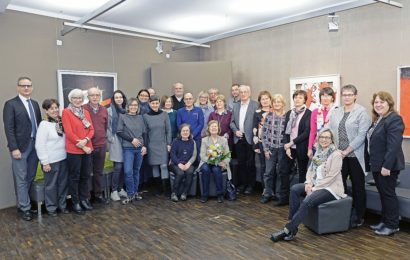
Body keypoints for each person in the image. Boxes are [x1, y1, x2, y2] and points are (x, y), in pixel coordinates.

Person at [270, 128, 346, 242]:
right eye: (322, 137)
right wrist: (308, 183)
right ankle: (293, 226)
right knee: (295, 189)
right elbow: (310, 170)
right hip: (316, 184)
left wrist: (314, 188)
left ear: (332, 140)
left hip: (331, 188)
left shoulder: (336, 155)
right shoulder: (318, 152)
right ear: (318, 139)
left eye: (327, 138)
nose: (324, 140)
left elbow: (331, 177)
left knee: (307, 200)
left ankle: (287, 229)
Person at [328, 84, 371, 228]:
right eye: (344, 94)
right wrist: (333, 149)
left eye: (350, 94)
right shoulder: (337, 112)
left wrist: (346, 151)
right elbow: (330, 130)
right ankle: (343, 213)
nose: (347, 97)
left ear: (355, 96)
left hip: (355, 157)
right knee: (340, 187)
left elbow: (361, 135)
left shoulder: (362, 112)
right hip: (339, 156)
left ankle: (359, 216)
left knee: (358, 187)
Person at [365, 91, 404, 236]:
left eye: (382, 102)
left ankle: (392, 225)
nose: (378, 104)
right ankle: (385, 221)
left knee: (388, 195)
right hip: (377, 164)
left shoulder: (394, 119)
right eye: (376, 102)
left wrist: (387, 166)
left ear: (389, 104)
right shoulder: (379, 119)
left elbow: (393, 145)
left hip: (388, 166)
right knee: (383, 194)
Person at [3, 76, 42, 221]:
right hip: (20, 148)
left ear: (32, 87)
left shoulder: (35, 104)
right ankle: (25, 208)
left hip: (34, 146)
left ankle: (22, 203)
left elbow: (38, 125)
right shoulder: (10, 104)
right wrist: (14, 148)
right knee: (21, 178)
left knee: (30, 177)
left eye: (29, 85)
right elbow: (9, 128)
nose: (26, 88)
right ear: (18, 87)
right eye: (23, 85)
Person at [62, 89, 94, 214]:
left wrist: (86, 140)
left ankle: (84, 199)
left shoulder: (85, 112)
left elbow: (91, 130)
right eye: (75, 98)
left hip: (87, 148)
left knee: (85, 176)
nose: (77, 100)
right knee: (74, 177)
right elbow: (69, 133)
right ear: (70, 99)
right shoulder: (66, 112)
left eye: (80, 98)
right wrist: (82, 145)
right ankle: (75, 202)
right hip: (74, 150)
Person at [35, 99, 68, 216]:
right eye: (51, 108)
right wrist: (45, 162)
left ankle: (62, 205)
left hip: (64, 158)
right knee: (51, 186)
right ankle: (51, 208)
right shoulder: (44, 124)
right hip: (51, 161)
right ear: (46, 110)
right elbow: (40, 145)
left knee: (63, 184)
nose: (54, 110)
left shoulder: (61, 121)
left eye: (56, 108)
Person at [280, 90, 311, 206]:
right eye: (296, 97)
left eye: (300, 97)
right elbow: (285, 131)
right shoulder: (289, 113)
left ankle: (301, 200)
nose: (297, 99)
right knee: (284, 171)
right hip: (289, 148)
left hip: (301, 147)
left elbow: (306, 132)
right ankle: (284, 198)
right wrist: (287, 146)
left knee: (303, 174)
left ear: (304, 100)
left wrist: (291, 142)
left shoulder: (309, 113)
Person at [116, 98, 147, 204]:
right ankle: (130, 194)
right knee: (128, 171)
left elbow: (144, 134)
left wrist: (145, 146)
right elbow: (119, 132)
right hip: (128, 148)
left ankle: (134, 193)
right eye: (131, 105)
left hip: (140, 149)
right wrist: (131, 140)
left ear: (138, 107)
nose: (133, 107)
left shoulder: (140, 118)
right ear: (128, 106)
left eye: (135, 105)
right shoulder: (123, 117)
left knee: (136, 171)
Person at [230, 85, 259, 195]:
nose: (243, 94)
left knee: (250, 164)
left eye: (245, 92)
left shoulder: (255, 105)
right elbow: (232, 122)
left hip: (251, 138)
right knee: (241, 163)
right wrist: (235, 131)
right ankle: (243, 184)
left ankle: (251, 186)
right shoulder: (236, 106)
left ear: (249, 93)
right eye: (241, 92)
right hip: (239, 138)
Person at [260, 94, 287, 203]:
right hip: (271, 148)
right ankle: (267, 194)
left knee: (280, 172)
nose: (276, 104)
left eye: (279, 102)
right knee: (268, 172)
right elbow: (264, 134)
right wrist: (266, 149)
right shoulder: (269, 116)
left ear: (283, 103)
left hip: (282, 148)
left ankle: (279, 194)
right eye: (275, 102)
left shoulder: (287, 116)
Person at [143, 95, 172, 196]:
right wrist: (145, 146)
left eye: (156, 103)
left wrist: (168, 143)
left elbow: (168, 130)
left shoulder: (164, 114)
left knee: (164, 166)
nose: (155, 105)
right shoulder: (145, 116)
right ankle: (158, 189)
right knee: (155, 167)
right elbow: (145, 133)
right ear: (149, 104)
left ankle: (167, 189)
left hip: (163, 144)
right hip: (151, 145)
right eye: (152, 103)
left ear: (159, 103)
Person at [84, 87, 108, 204]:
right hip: (87, 146)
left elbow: (105, 127)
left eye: (97, 95)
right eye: (92, 95)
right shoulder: (83, 109)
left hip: (101, 145)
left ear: (100, 97)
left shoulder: (104, 109)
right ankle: (87, 196)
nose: (95, 97)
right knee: (87, 172)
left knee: (99, 171)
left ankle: (98, 194)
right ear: (87, 97)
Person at [198, 120, 231, 203]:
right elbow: (202, 155)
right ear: (208, 129)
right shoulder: (204, 140)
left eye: (215, 126)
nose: (213, 128)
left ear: (218, 128)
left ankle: (220, 194)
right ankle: (205, 195)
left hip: (220, 163)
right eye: (211, 126)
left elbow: (228, 155)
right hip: (207, 162)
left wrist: (224, 162)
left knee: (216, 170)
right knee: (205, 169)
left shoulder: (223, 140)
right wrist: (212, 161)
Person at [107, 90, 128, 201]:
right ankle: (114, 191)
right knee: (118, 166)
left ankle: (120, 189)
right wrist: (111, 138)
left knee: (124, 166)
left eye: (121, 97)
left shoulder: (126, 110)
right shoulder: (109, 110)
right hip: (115, 140)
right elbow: (106, 126)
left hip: (126, 140)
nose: (119, 99)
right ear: (113, 99)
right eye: (116, 97)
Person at [169, 124, 197, 202]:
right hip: (175, 163)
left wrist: (189, 163)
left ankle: (185, 193)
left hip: (188, 163)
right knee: (180, 173)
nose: (185, 132)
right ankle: (174, 193)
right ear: (180, 132)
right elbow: (172, 154)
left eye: (187, 131)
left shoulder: (193, 142)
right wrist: (179, 164)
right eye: (183, 131)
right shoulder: (175, 141)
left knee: (190, 172)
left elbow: (194, 155)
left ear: (190, 132)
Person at [307, 87, 337, 158]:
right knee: (316, 167)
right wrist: (310, 148)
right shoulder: (315, 112)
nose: (325, 98)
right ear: (320, 98)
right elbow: (312, 131)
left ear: (332, 98)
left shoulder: (337, 111)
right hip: (317, 145)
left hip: (332, 146)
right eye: (323, 96)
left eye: (328, 96)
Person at [253, 90, 273, 193]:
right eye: (262, 99)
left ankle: (273, 189)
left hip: (274, 143)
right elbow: (254, 130)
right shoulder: (257, 113)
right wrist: (256, 145)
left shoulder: (275, 111)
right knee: (263, 166)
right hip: (261, 143)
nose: (264, 101)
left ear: (270, 100)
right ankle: (265, 189)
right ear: (259, 101)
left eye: (266, 98)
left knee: (273, 167)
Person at [176, 92, 204, 161]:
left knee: (197, 157)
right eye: (186, 99)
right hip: (184, 139)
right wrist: (186, 135)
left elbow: (201, 124)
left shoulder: (199, 110)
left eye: (190, 99)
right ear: (184, 100)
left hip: (196, 138)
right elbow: (179, 125)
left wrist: (192, 134)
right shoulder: (180, 111)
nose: (188, 100)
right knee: (185, 157)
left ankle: (197, 171)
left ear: (193, 100)